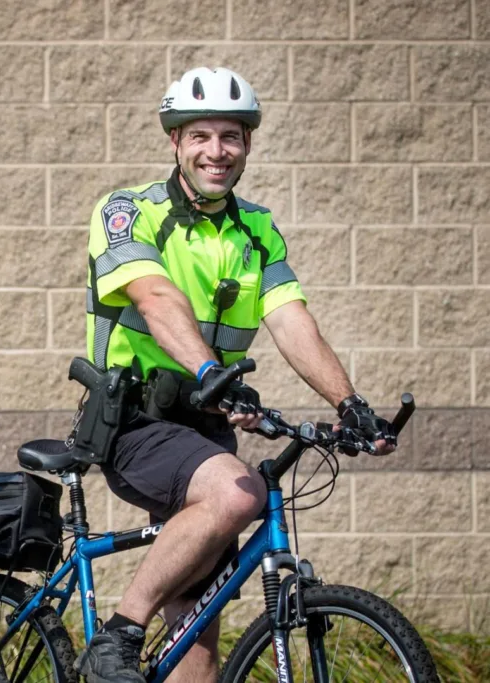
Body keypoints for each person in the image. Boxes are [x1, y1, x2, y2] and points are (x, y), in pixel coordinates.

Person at [77, 67, 397, 683]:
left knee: (196, 634)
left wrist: (349, 403)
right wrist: (210, 370)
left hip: (206, 431)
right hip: (135, 423)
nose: (216, 151)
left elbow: (291, 320)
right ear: (175, 141)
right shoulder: (128, 211)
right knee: (238, 493)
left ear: (247, 144)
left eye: (230, 136)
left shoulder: (257, 229)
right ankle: (117, 636)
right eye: (200, 136)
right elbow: (154, 297)